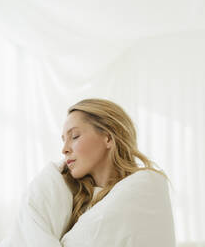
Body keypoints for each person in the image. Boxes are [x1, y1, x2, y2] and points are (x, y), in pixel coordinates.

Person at [59, 98, 172, 234]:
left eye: (75, 136)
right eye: (64, 140)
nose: (64, 149)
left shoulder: (144, 189)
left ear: (108, 138)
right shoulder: (69, 199)